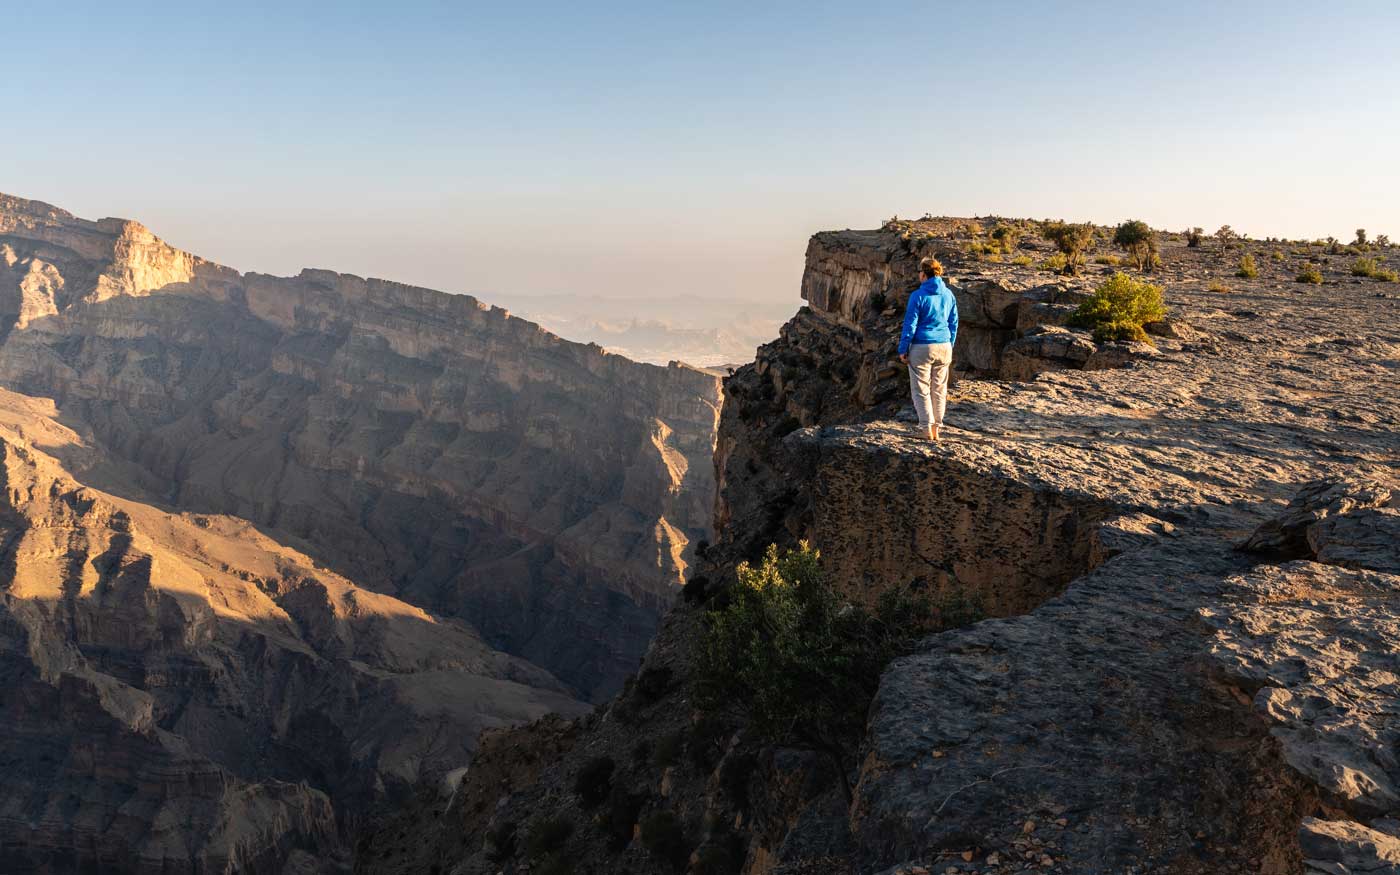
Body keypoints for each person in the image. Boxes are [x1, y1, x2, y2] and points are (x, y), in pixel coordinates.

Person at [897, 256, 959, 441]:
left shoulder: (918, 296)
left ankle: (925, 429)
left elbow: (910, 325)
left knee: (921, 389)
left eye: (919, 273)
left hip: (922, 346)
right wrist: (950, 344)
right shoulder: (949, 294)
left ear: (923, 274)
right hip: (944, 346)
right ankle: (936, 431)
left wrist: (903, 349)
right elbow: (953, 323)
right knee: (939, 389)